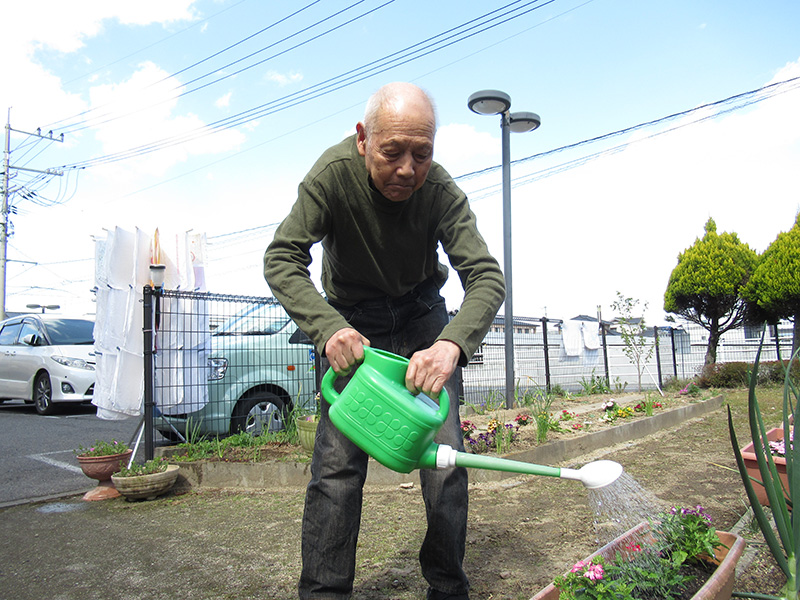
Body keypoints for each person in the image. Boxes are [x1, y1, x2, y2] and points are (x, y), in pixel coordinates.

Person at [264, 81, 505, 600]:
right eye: (392, 152)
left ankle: (447, 588)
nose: (408, 169)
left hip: (422, 317)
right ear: (362, 139)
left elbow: (486, 276)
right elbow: (282, 258)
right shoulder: (330, 178)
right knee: (337, 466)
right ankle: (324, 593)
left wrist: (452, 345)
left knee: (445, 462)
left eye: (422, 154)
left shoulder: (439, 191)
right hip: (351, 325)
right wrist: (327, 328)